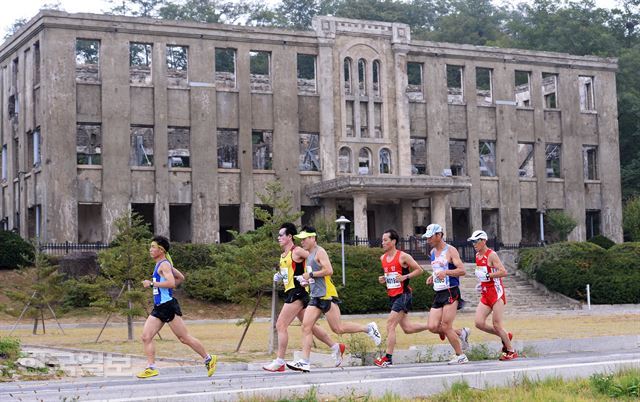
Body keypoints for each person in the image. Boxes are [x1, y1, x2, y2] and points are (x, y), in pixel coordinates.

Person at [287, 226, 382, 372]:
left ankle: (368, 328)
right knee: (306, 326)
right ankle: (304, 361)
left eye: (305, 239)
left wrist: (310, 276)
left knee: (338, 328)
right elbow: (315, 276)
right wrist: (306, 281)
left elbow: (329, 271)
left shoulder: (320, 251)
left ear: (313, 238)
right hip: (315, 296)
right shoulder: (309, 255)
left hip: (327, 295)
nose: (302, 242)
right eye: (301, 239)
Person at [263, 223, 346, 372]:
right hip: (290, 291)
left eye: (281, 235)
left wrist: (312, 275)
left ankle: (280, 361)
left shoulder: (298, 250)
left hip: (298, 292)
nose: (278, 238)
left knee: (281, 325)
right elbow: (290, 271)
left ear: (290, 237)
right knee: (310, 326)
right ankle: (335, 347)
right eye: (278, 235)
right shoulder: (284, 254)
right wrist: (281, 276)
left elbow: (314, 260)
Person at [136, 236, 217, 378]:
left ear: (161, 250)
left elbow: (172, 283)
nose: (150, 249)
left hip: (167, 306)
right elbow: (181, 278)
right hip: (159, 307)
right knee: (146, 336)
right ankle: (151, 367)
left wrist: (152, 284)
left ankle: (208, 358)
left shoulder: (164, 265)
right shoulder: (162, 264)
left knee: (184, 338)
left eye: (153, 247)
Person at [374, 229, 430, 368]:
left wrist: (406, 276)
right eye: (382, 240)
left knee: (390, 325)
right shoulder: (383, 258)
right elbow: (391, 275)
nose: (383, 242)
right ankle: (435, 326)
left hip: (403, 295)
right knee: (408, 328)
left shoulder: (403, 256)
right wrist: (384, 278)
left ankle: (388, 358)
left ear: (393, 241)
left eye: (385, 240)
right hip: (392, 295)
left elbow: (419, 270)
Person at [422, 223, 471, 365]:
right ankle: (462, 333)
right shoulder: (432, 253)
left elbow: (462, 270)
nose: (428, 240)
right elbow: (438, 269)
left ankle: (460, 355)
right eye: (427, 237)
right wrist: (433, 277)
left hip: (451, 290)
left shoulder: (451, 250)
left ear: (439, 235)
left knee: (445, 326)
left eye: (430, 237)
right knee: (432, 326)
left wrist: (446, 272)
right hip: (438, 292)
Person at [468, 229, 517, 360]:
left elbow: (503, 272)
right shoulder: (477, 256)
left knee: (497, 324)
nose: (473, 244)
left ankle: (511, 351)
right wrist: (481, 283)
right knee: (479, 323)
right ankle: (505, 335)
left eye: (476, 241)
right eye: (472, 242)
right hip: (485, 293)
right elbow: (482, 275)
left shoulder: (492, 255)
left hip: (496, 293)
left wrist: (489, 275)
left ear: (483, 241)